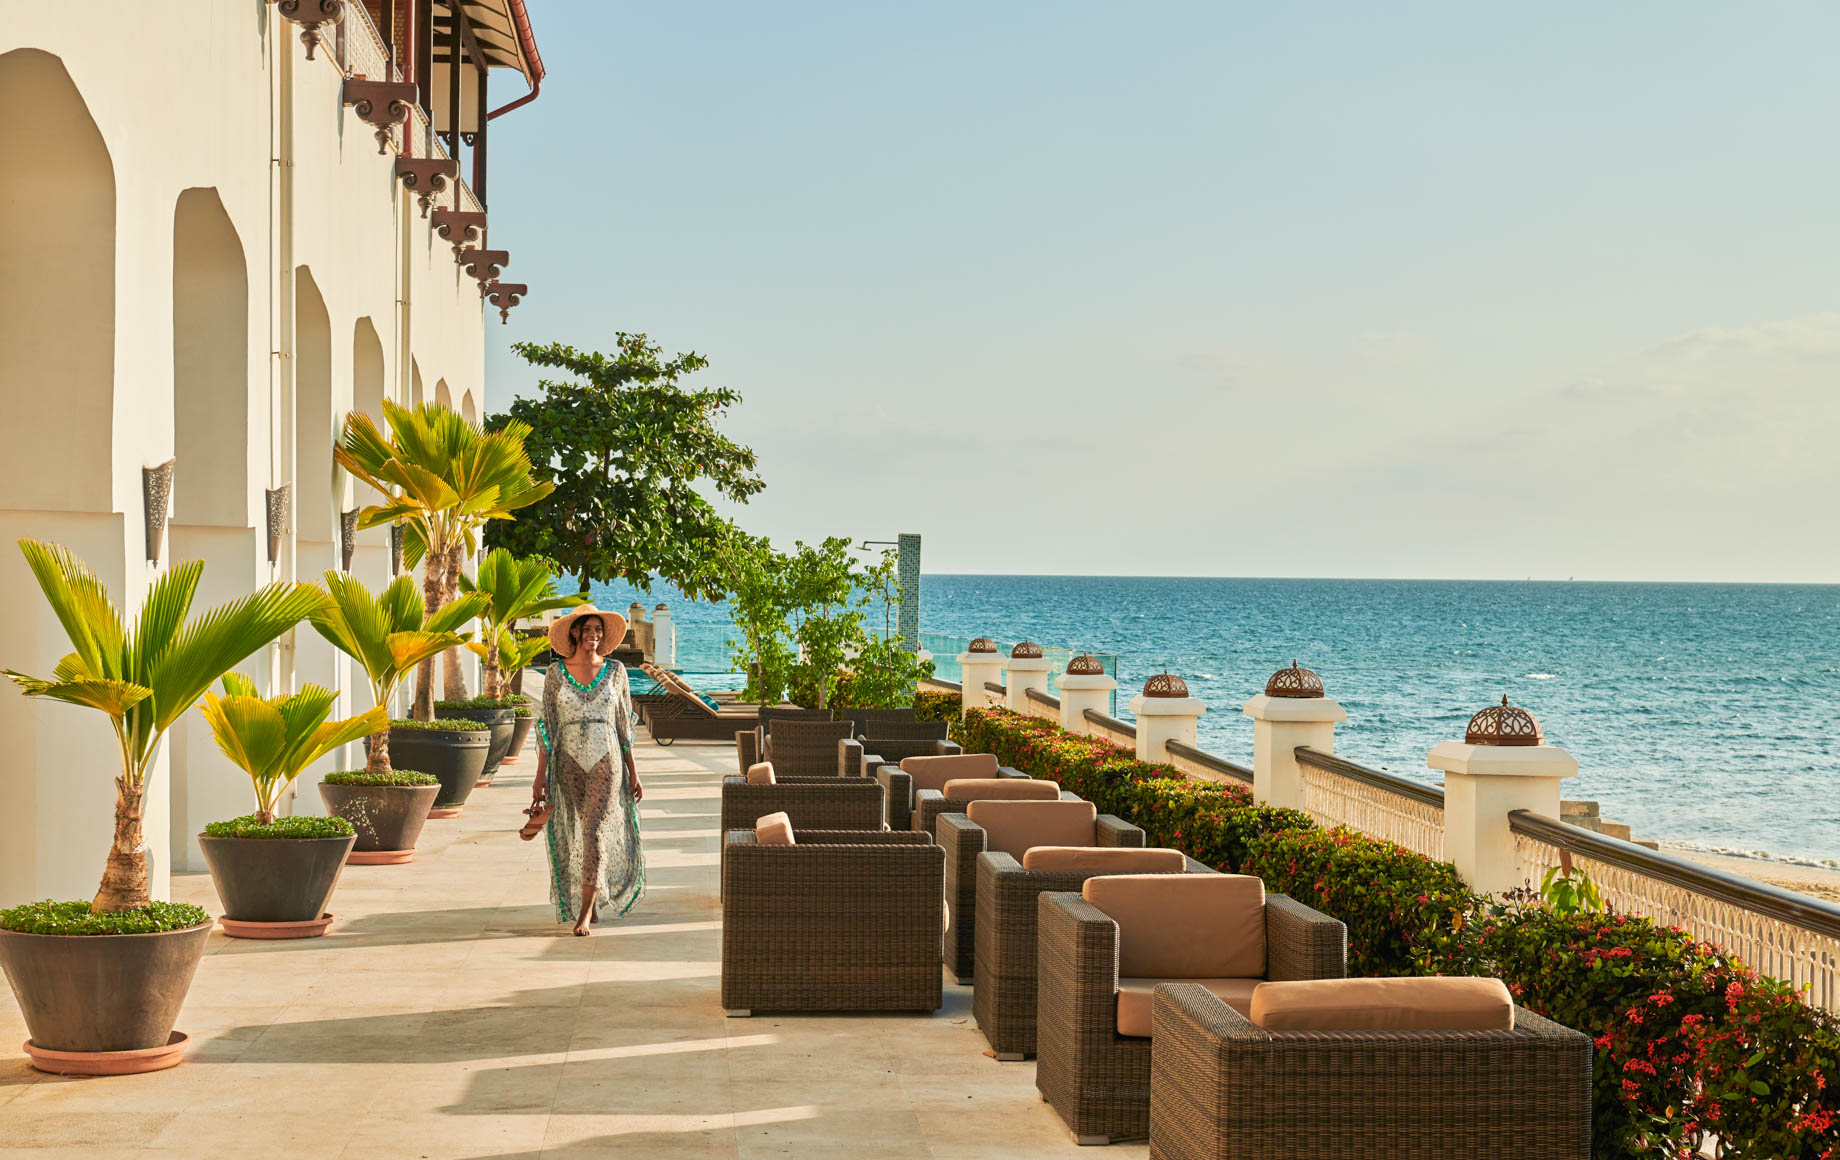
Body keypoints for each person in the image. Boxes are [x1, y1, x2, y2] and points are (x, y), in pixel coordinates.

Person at [532, 604, 645, 936]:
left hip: (606, 759)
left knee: (594, 831)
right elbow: (547, 725)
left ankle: (584, 914)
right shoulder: (554, 674)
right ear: (575, 633)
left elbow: (624, 725)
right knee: (576, 830)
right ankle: (589, 899)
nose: (593, 635)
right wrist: (540, 774)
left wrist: (633, 771)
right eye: (587, 629)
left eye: (598, 630)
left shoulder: (616, 671)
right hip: (566, 761)